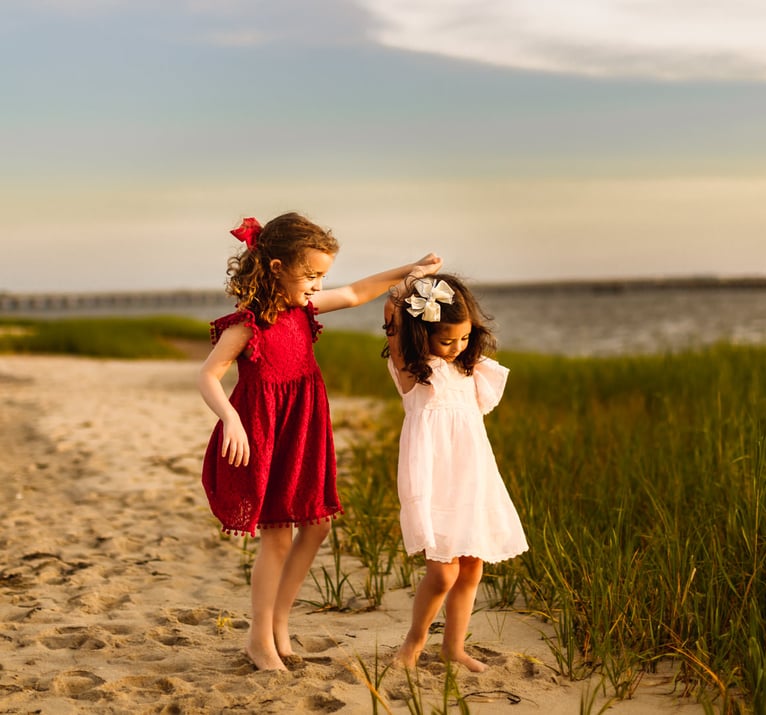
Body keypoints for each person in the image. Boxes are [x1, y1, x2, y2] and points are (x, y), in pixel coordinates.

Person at [199, 212, 441, 672]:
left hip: (305, 428)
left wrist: (409, 270)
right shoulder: (247, 325)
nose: (317, 285)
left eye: (321, 276)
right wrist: (229, 418)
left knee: (317, 525)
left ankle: (280, 623)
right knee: (276, 537)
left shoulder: (303, 310)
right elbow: (208, 375)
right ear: (276, 269)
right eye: (311, 275)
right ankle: (258, 638)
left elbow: (354, 293)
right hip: (265, 434)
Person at [381, 273, 528, 673]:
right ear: (422, 333)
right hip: (435, 481)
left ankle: (454, 647)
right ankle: (413, 643)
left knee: (471, 566)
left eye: (463, 338)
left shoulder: (469, 370)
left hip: (472, 478)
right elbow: (391, 309)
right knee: (443, 572)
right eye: (447, 341)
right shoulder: (414, 371)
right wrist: (412, 284)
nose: (457, 347)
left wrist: (456, 336)